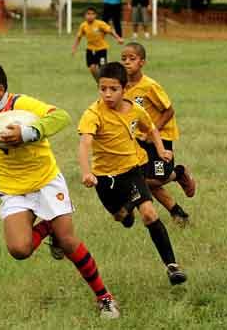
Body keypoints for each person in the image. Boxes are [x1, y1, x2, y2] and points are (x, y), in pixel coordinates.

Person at [0, 62, 120, 319]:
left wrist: (29, 132)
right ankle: (50, 226)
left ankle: (104, 297)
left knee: (69, 241)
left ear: (0, 89)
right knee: (19, 249)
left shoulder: (21, 104)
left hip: (46, 181)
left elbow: (60, 116)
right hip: (14, 190)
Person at [78, 62, 187, 285]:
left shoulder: (136, 110)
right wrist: (87, 172)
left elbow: (152, 129)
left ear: (124, 89)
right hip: (105, 179)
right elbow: (84, 144)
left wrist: (161, 150)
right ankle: (126, 211)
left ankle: (172, 266)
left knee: (149, 213)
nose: (107, 94)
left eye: (113, 89)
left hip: (131, 171)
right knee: (121, 217)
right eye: (102, 89)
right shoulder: (93, 114)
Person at [120, 42, 196, 226]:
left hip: (161, 136)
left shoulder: (150, 86)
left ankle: (179, 173)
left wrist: (153, 130)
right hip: (140, 140)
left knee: (156, 178)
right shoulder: (122, 87)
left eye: (132, 58)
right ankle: (179, 214)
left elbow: (169, 111)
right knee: (144, 179)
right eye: (124, 59)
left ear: (142, 62)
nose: (127, 62)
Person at [72, 7, 123, 82]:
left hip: (101, 49)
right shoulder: (83, 26)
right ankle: (99, 82)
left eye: (92, 14)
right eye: (88, 14)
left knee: (102, 68)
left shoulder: (100, 24)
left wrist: (118, 38)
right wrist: (74, 47)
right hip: (90, 50)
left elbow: (110, 31)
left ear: (95, 15)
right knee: (92, 68)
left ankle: (105, 79)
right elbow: (78, 37)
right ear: (85, 15)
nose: (90, 16)